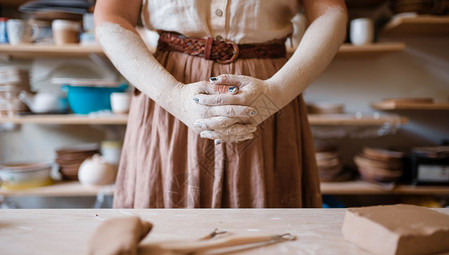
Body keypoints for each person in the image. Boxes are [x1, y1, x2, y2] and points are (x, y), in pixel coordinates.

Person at [94, 0, 348, 208]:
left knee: (266, 231)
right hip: (167, 95)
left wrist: (275, 94)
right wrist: (174, 97)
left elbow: (330, 13)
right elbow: (111, 15)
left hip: (268, 94)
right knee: (165, 227)